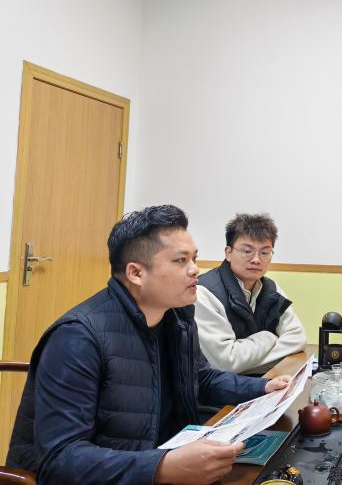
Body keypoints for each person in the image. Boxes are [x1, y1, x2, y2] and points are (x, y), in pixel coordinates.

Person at [7, 205, 291, 485]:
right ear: (136, 273)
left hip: (159, 460)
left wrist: (263, 388)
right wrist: (163, 467)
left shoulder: (177, 316)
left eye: (194, 258)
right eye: (180, 260)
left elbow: (200, 378)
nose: (195, 270)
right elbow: (60, 460)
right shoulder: (77, 339)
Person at [194, 213, 306, 375]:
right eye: (247, 251)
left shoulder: (272, 288)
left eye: (265, 252)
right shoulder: (204, 293)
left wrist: (243, 363)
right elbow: (227, 362)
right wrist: (269, 337)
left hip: (264, 381)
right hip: (217, 389)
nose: (256, 260)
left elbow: (298, 339)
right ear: (228, 253)